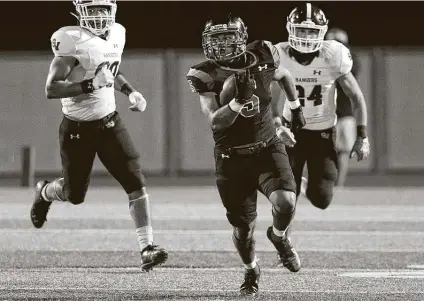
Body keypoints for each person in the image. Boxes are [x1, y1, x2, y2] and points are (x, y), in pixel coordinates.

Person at [29, 0, 168, 272]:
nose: (97, 15)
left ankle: (147, 247)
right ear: (80, 12)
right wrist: (90, 84)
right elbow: (52, 88)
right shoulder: (73, 42)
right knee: (74, 194)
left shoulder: (117, 33)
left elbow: (110, 69)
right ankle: (45, 192)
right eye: (91, 9)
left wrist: (130, 91)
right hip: (77, 129)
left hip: (109, 122)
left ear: (111, 10)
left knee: (135, 180)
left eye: (102, 9)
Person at [186, 14, 305, 297]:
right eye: (216, 40)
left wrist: (295, 105)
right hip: (232, 158)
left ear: (241, 38)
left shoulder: (263, 53)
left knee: (286, 201)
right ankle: (251, 269)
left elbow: (284, 75)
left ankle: (278, 237)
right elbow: (215, 121)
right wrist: (238, 101)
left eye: (228, 39)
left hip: (266, 147)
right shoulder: (205, 74)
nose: (222, 46)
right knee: (243, 230)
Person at [272, 3, 370, 212]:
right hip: (292, 131)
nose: (306, 37)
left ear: (322, 33)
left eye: (311, 31)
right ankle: (281, 236)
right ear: (290, 29)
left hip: (323, 133)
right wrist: (277, 125)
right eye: (301, 31)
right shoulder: (278, 54)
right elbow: (269, 100)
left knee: (322, 199)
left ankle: (306, 187)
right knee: (288, 195)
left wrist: (362, 136)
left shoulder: (333, 54)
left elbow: (356, 96)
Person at [325, 27, 360, 186]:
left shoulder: (349, 62)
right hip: (327, 114)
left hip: (344, 114)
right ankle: (329, 183)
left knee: (344, 152)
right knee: (325, 152)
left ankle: (339, 186)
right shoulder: (322, 62)